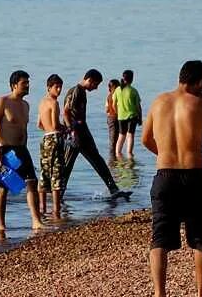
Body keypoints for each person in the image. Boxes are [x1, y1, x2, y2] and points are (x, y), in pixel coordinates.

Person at [142, 60, 202, 297]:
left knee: (159, 239)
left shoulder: (158, 101)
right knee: (201, 237)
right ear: (199, 82)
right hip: (193, 175)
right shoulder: (200, 102)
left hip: (164, 175)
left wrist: (164, 153)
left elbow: (145, 139)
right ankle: (201, 294)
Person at [0, 70, 43, 232]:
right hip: (5, 150)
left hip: (22, 149)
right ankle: (1, 225)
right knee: (3, 187)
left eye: (28, 83)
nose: (27, 86)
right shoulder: (2, 102)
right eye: (24, 83)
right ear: (14, 85)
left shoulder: (25, 105)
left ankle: (36, 220)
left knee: (32, 182)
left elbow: (23, 129)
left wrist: (25, 147)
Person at [60, 69, 126, 200]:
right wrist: (71, 131)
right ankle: (57, 195)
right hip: (75, 133)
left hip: (82, 131)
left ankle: (113, 188)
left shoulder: (82, 92)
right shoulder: (76, 91)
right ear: (89, 80)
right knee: (67, 165)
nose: (95, 88)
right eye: (95, 84)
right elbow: (66, 111)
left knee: (96, 160)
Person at [37, 74, 66, 219]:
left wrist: (49, 130)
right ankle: (56, 209)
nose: (59, 90)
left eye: (60, 87)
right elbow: (55, 125)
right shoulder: (54, 103)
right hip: (54, 138)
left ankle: (41, 208)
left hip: (45, 139)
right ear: (49, 88)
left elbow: (39, 124)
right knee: (56, 173)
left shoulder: (42, 103)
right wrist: (65, 128)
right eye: (56, 87)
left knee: (44, 172)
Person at [113, 69, 143, 160]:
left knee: (121, 135)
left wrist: (117, 113)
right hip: (132, 116)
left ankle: (118, 153)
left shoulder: (117, 90)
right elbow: (138, 106)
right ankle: (129, 153)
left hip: (121, 116)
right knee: (130, 135)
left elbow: (114, 104)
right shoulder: (133, 91)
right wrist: (140, 117)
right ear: (132, 79)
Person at [105, 79, 121, 161]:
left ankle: (113, 157)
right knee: (115, 139)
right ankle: (113, 157)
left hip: (111, 118)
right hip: (116, 118)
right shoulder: (118, 96)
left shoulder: (109, 96)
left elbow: (106, 109)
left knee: (113, 138)